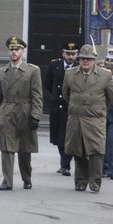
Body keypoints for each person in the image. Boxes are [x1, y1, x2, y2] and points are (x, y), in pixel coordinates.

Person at [63, 43, 113, 192]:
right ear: (79, 59)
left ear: (94, 60)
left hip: (95, 119)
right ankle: (80, 181)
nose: (85, 61)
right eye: (83, 58)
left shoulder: (105, 75)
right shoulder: (70, 74)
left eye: (89, 59)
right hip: (76, 118)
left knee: (96, 152)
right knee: (78, 151)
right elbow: (66, 94)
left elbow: (111, 98)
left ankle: (95, 181)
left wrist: (98, 110)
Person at [0, 35, 42, 190]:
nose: (14, 52)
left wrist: (35, 115)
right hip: (6, 111)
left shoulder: (32, 71)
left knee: (24, 149)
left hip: (25, 111)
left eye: (17, 49)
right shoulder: (2, 71)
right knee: (6, 148)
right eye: (11, 49)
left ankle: (26, 177)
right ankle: (7, 181)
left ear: (23, 51)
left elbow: (37, 95)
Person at [44, 42, 74, 173]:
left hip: (72, 107)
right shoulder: (54, 65)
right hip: (57, 105)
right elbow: (48, 84)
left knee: (69, 137)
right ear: (63, 54)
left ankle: (65, 164)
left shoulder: (78, 68)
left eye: (73, 54)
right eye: (68, 54)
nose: (70, 57)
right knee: (58, 137)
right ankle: (64, 161)